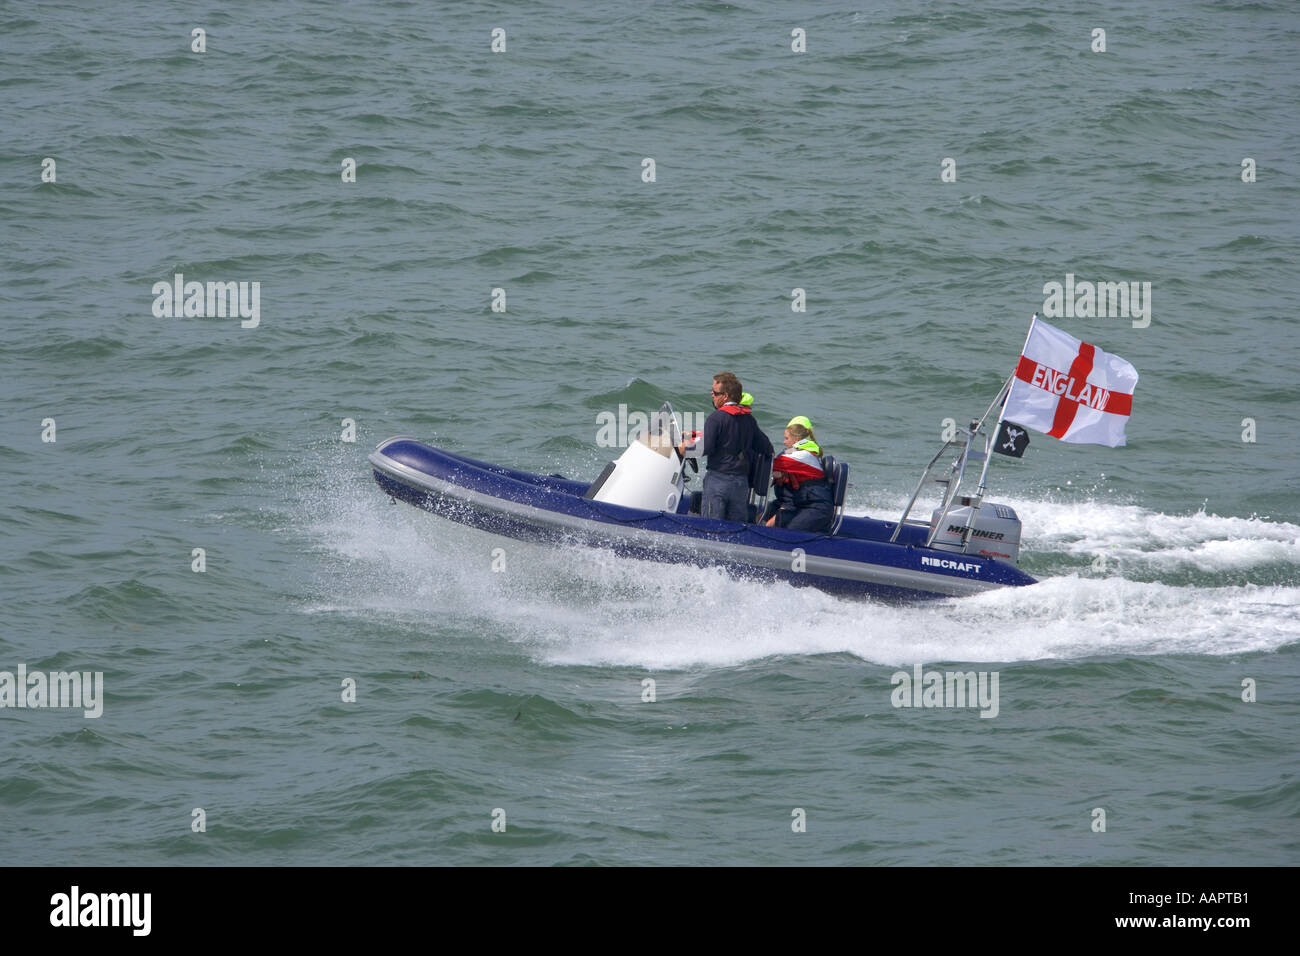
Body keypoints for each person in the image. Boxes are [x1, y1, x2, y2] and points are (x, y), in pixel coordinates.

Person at [679, 372, 774, 522]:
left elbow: (705, 448)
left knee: (711, 526)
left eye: (715, 393)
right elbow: (766, 447)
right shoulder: (749, 419)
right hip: (740, 485)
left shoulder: (716, 418)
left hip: (718, 482)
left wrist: (685, 450)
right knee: (734, 530)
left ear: (726, 396)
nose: (712, 395)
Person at [764, 416, 834, 532]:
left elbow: (771, 465)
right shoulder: (796, 452)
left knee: (789, 531)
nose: (784, 441)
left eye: (786, 438)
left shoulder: (802, 456)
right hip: (801, 503)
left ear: (796, 439)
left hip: (816, 507)